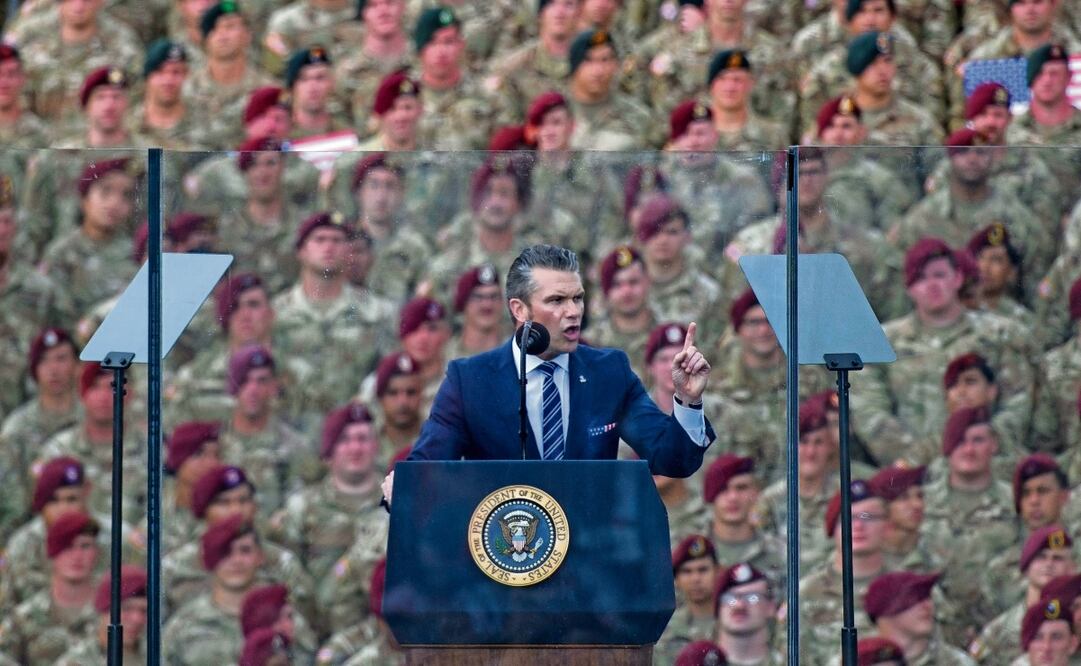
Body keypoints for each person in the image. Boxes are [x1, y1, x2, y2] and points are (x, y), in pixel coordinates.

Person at [384, 244, 714, 503]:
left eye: (578, 299)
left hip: (589, 556)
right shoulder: (470, 381)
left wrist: (688, 400)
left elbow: (673, 459)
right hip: (505, 556)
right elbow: (429, 463)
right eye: (556, 300)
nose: (573, 312)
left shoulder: (608, 372)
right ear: (519, 309)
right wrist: (403, 485)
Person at [864, 571, 977, 664]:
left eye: (927, 597)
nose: (927, 605)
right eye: (914, 599)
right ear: (885, 609)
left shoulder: (955, 662)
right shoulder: (859, 659)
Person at [56, 566, 148, 664]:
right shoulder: (78, 662)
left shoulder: (153, 654)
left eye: (144, 611)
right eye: (126, 609)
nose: (137, 619)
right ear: (104, 610)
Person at [655, 534, 720, 664]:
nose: (695, 579)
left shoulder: (734, 622)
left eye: (703, 570)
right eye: (687, 571)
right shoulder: (664, 629)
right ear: (676, 579)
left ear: (717, 571)